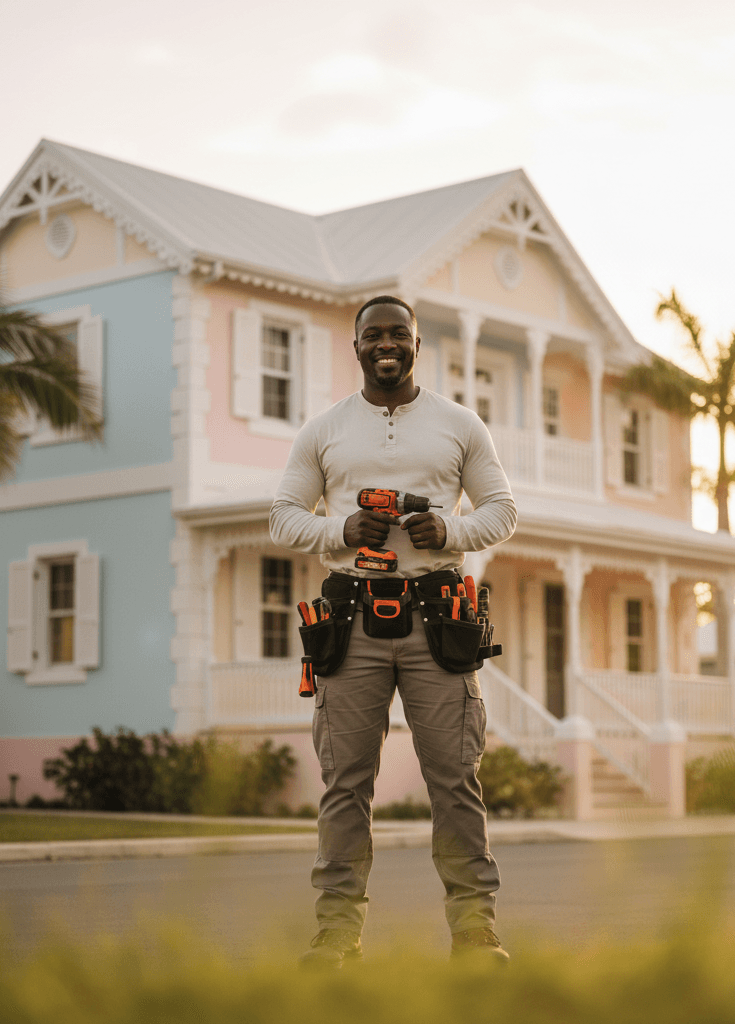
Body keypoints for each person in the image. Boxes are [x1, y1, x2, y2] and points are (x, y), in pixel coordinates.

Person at [268, 295, 517, 966]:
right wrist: (340, 529)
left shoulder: (460, 424)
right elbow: (284, 516)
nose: (386, 343)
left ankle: (474, 931)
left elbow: (502, 509)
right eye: (372, 334)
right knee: (345, 783)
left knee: (455, 777)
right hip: (350, 620)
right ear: (355, 348)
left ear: (415, 345)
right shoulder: (322, 431)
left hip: (440, 617)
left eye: (398, 334)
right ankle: (336, 936)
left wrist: (453, 530)